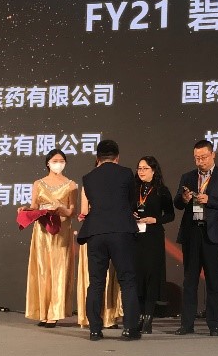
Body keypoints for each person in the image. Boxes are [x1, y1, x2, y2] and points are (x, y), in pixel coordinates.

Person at [76, 139, 141, 341]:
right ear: (117, 157)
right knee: (127, 280)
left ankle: (95, 330)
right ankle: (130, 329)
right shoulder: (126, 173)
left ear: (97, 158)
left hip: (96, 232)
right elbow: (132, 201)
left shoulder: (88, 177)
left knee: (96, 281)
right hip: (121, 231)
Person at [172, 140, 218, 336]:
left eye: (204, 157)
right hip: (192, 232)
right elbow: (177, 203)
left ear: (213, 155)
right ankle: (187, 324)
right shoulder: (188, 176)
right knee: (190, 280)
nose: (200, 161)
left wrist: (210, 200)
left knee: (213, 280)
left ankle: (214, 324)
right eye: (197, 158)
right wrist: (183, 199)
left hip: (213, 234)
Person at [21, 150, 77, 328]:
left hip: (61, 230)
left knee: (59, 269)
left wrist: (59, 209)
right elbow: (34, 206)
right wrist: (26, 210)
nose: (58, 163)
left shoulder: (71, 185)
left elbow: (71, 212)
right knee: (43, 269)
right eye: (55, 160)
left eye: (61, 161)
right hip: (42, 230)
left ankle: (55, 313)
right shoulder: (38, 183)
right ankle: (43, 312)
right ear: (48, 163)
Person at [133, 156, 175, 334]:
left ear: (153, 170)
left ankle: (148, 318)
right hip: (135, 237)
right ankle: (139, 316)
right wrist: (131, 213)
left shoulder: (161, 191)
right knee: (137, 277)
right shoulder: (133, 189)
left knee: (151, 277)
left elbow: (170, 215)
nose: (141, 171)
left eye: (145, 168)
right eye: (139, 168)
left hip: (153, 237)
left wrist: (155, 219)